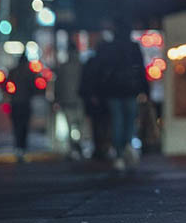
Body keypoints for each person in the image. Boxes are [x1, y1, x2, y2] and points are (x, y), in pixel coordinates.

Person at [94, 19, 149, 171]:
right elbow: (140, 70)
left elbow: (100, 71)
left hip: (113, 91)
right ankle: (126, 149)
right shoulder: (133, 47)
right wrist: (145, 90)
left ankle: (119, 154)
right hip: (130, 90)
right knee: (129, 122)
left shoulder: (109, 47)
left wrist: (99, 91)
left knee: (117, 121)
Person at [54, 41, 84, 158]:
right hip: (79, 100)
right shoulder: (81, 66)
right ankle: (77, 145)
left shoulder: (63, 67)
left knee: (69, 124)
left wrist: (57, 98)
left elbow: (58, 85)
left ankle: (73, 147)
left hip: (66, 100)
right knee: (78, 125)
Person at [7, 53, 35, 162]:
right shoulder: (28, 73)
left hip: (15, 102)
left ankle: (18, 146)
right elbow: (33, 87)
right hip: (25, 103)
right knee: (24, 126)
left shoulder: (13, 72)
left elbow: (7, 86)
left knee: (17, 125)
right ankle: (22, 147)